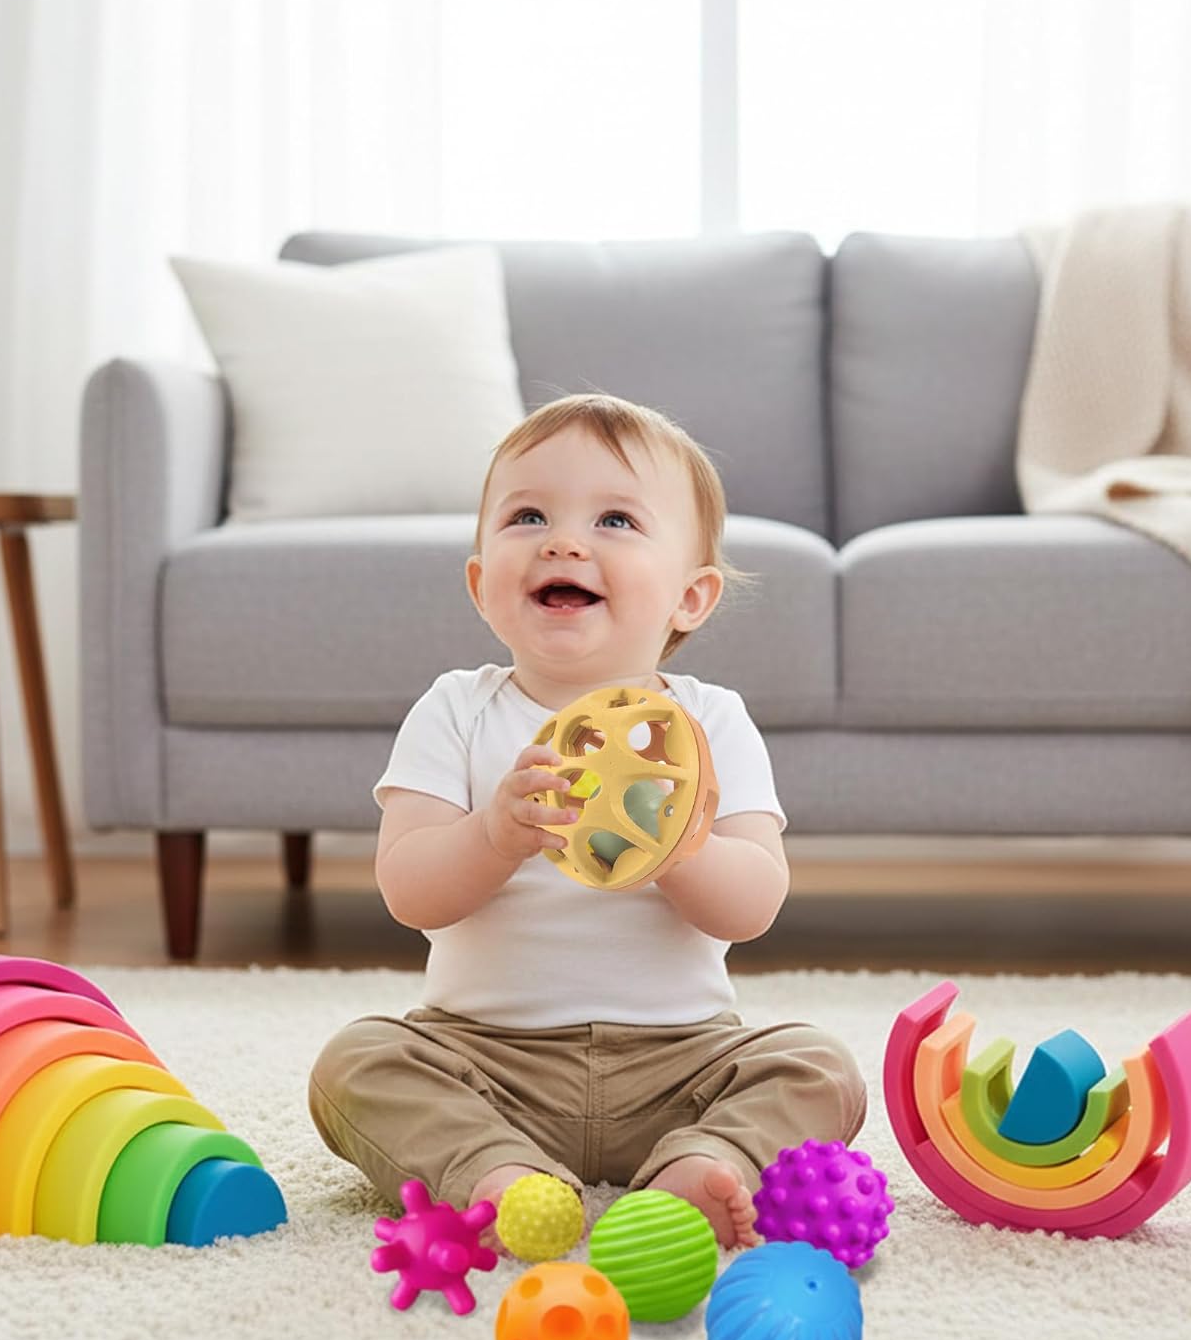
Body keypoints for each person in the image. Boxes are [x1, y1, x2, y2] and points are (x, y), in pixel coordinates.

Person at [308, 393, 866, 1251]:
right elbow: (409, 889)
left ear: (691, 597)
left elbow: (752, 903)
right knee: (353, 1065)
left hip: (682, 1062)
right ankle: (500, 1174)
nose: (564, 541)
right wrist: (494, 834)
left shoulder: (711, 722)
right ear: (480, 583)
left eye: (615, 519)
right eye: (528, 515)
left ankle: (702, 1162)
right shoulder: (457, 710)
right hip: (485, 1059)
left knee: (820, 1067)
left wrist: (682, 850)